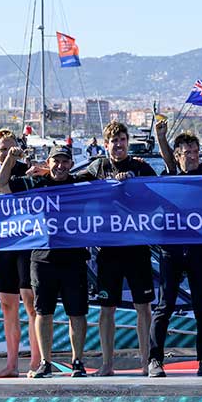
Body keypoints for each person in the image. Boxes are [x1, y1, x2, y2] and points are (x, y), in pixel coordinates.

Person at [0, 144, 90, 378]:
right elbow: (0, 186)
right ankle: (45, 362)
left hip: (74, 257)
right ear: (48, 163)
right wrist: (9, 159)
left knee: (76, 313)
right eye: (55, 161)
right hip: (42, 258)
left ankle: (77, 361)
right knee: (43, 312)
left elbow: (105, 180)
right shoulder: (35, 184)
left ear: (71, 164)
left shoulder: (79, 184)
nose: (60, 166)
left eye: (65, 161)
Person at [74, 121, 157, 376]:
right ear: (106, 143)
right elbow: (69, 185)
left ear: (127, 142)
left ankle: (146, 363)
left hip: (137, 247)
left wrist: (134, 186)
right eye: (113, 141)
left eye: (122, 140)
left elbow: (159, 197)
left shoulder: (141, 167)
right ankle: (107, 364)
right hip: (108, 250)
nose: (118, 145)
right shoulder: (98, 167)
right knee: (106, 309)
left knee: (143, 307)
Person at [149, 120, 202, 376]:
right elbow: (167, 160)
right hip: (172, 250)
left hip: (199, 250)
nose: (192, 157)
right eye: (187, 153)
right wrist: (162, 137)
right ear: (178, 156)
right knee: (164, 305)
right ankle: (155, 359)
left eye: (195, 152)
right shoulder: (168, 177)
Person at [0, 129, 40, 377]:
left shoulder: (25, 174)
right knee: (8, 306)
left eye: (11, 148)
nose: (7, 154)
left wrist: (19, 160)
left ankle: (36, 361)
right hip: (4, 246)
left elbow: (6, 186)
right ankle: (11, 363)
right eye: (2, 150)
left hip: (26, 245)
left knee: (31, 304)